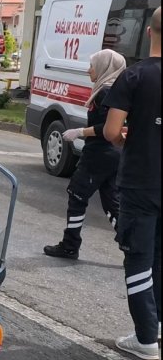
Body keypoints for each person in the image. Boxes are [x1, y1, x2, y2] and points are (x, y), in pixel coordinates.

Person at [103, 7, 161, 360]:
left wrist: (126, 139)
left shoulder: (134, 76)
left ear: (150, 31)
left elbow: (111, 131)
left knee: (139, 257)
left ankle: (145, 338)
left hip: (141, 182)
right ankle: (157, 326)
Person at [43, 49, 126, 260]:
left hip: (99, 154)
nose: (89, 70)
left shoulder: (106, 92)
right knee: (111, 203)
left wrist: (80, 132)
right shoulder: (119, 90)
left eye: (93, 66)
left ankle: (70, 245)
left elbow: (107, 128)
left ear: (104, 68)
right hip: (114, 154)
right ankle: (132, 246)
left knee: (77, 195)